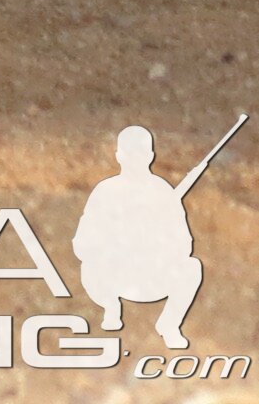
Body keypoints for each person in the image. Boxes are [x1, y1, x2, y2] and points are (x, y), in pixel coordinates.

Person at [73, 125, 206, 350]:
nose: (135, 159)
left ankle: (169, 324)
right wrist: (116, 242)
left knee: (192, 267)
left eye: (140, 154)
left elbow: (185, 244)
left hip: (152, 277)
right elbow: (82, 243)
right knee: (90, 266)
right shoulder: (105, 191)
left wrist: (156, 240)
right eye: (130, 154)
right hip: (114, 277)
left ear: (150, 156)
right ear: (119, 156)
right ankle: (111, 307)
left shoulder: (163, 192)